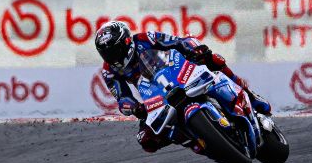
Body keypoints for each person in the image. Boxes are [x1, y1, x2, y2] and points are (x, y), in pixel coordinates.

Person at [95, 20, 272, 154]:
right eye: (106, 53)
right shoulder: (108, 71)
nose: (112, 57)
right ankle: (202, 144)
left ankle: (249, 94)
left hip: (176, 73)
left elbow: (177, 42)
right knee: (147, 141)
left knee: (214, 59)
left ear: (126, 41)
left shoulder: (145, 39)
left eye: (114, 50)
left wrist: (195, 49)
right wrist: (134, 107)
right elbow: (122, 97)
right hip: (154, 96)